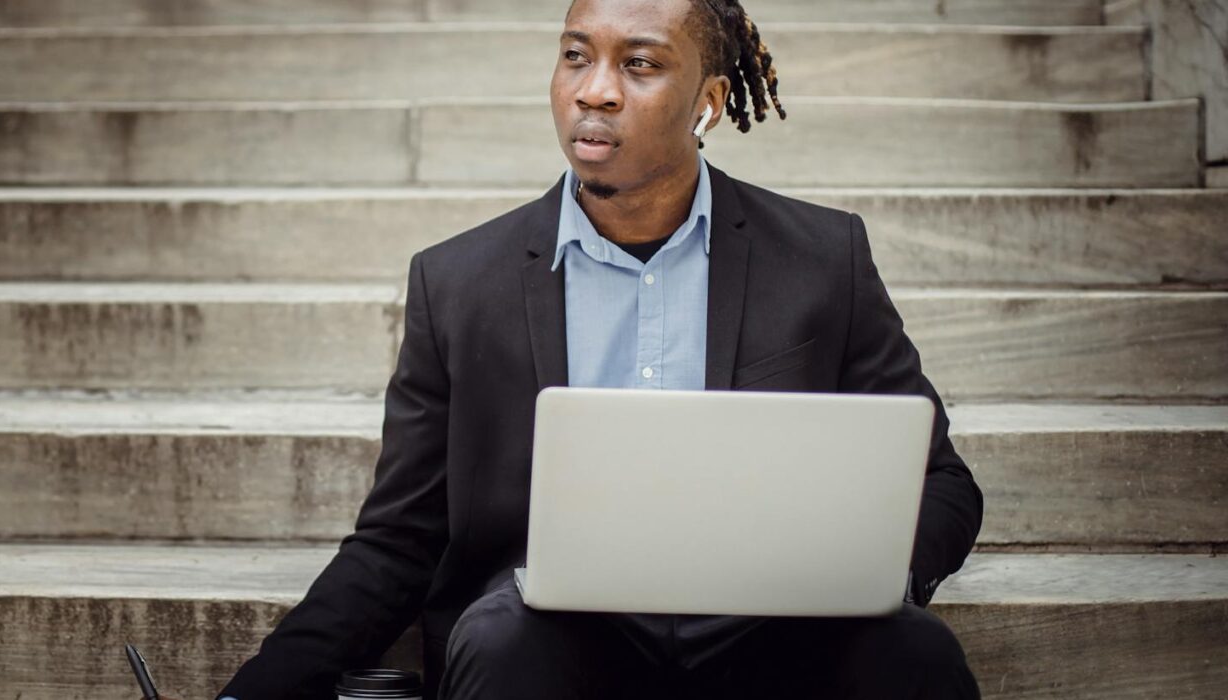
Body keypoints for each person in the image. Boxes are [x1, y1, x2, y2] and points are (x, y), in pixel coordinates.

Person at [219, 0, 984, 697]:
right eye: (576, 57)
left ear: (708, 104)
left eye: (640, 65)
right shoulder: (456, 283)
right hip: (557, 640)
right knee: (498, 639)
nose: (595, 91)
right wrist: (258, 690)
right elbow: (400, 538)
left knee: (913, 655)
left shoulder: (822, 258)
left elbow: (943, 484)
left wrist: (867, 577)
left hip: (775, 631)